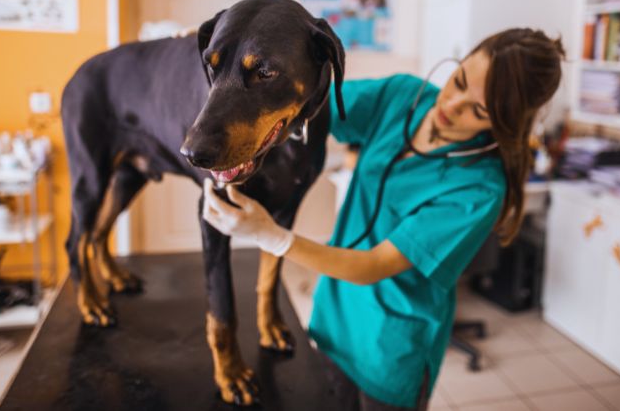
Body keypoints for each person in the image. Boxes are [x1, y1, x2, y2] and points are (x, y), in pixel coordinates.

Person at [202, 28, 565, 410]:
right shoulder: (403, 96)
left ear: (505, 123)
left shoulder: (479, 186)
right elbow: (316, 103)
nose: (452, 104)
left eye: (478, 110)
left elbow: (375, 265)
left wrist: (273, 236)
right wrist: (221, 55)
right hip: (334, 319)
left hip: (391, 349)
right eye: (458, 81)